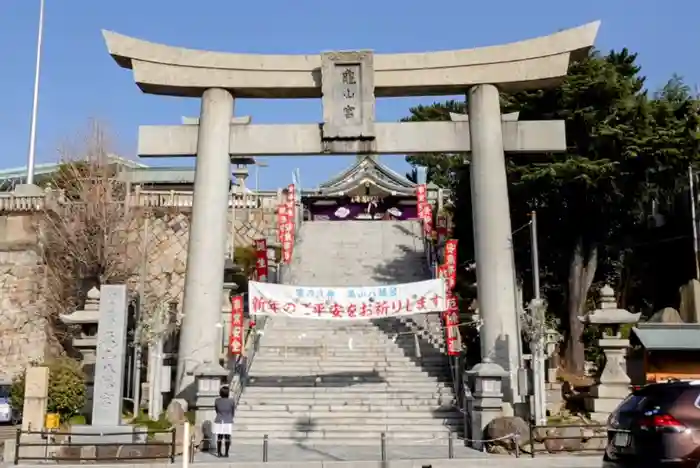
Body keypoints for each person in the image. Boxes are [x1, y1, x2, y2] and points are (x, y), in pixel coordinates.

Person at [213, 385, 235, 457]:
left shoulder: (217, 401)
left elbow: (216, 410)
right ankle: (226, 453)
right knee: (227, 437)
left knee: (219, 437)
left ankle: (219, 452)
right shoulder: (231, 401)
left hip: (219, 419)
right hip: (228, 419)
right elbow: (232, 411)